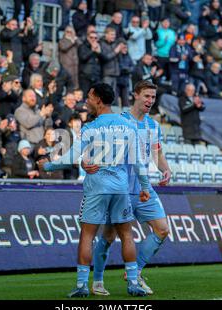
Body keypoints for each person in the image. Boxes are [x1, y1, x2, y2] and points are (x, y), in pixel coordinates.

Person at [45, 83, 151, 298]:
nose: (87, 101)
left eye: (90, 97)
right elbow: (139, 161)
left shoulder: (89, 128)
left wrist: (47, 165)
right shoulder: (128, 126)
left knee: (87, 235)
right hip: (120, 189)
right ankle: (132, 283)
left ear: (99, 100)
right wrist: (145, 186)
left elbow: (71, 157)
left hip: (96, 188)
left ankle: (83, 285)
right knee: (126, 235)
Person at [85, 80, 172, 296]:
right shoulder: (119, 120)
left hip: (143, 189)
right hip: (120, 188)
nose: (150, 101)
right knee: (108, 237)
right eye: (146, 96)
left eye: (153, 97)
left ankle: (136, 272)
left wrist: (165, 169)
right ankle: (97, 281)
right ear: (135, 95)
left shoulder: (153, 126)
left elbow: (157, 153)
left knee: (162, 229)